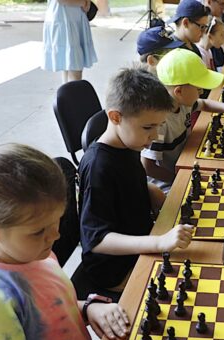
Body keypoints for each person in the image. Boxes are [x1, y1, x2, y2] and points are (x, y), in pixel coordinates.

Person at [0, 144, 130, 340]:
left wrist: (87, 310)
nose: (56, 235)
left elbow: (45, 313)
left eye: (57, 221)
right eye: (39, 231)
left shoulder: (33, 253)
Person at [79, 67, 194, 293]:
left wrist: (152, 192)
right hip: (116, 269)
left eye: (159, 126)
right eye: (148, 127)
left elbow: (126, 186)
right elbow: (97, 240)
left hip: (142, 240)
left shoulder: (129, 142)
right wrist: (158, 243)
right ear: (115, 117)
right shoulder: (98, 167)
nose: (154, 136)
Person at [141, 49, 224, 190]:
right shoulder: (160, 122)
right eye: (198, 89)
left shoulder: (182, 102)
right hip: (166, 183)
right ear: (179, 91)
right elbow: (148, 167)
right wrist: (180, 179)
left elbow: (204, 103)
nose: (201, 92)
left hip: (186, 162)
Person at [42, 0, 98, 83]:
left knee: (69, 65)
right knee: (74, 67)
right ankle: (73, 94)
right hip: (65, 20)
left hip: (71, 18)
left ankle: (68, 94)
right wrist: (84, 3)